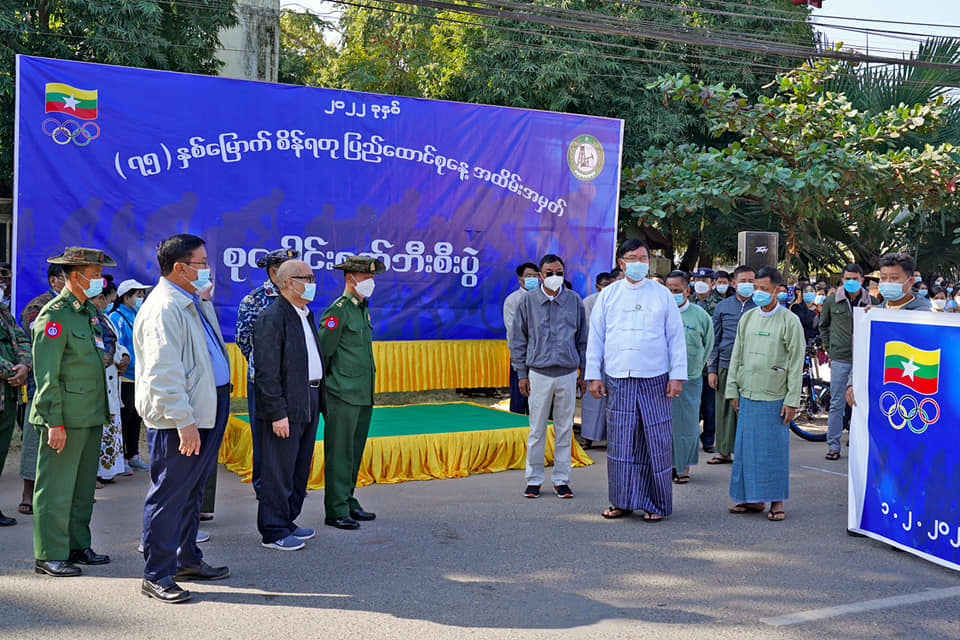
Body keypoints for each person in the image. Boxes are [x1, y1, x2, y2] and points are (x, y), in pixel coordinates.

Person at [135, 234, 230, 603]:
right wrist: (183, 421)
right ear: (180, 268)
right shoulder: (164, 307)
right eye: (202, 263)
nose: (208, 269)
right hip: (181, 417)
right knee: (169, 494)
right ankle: (157, 573)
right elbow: (163, 373)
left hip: (207, 406)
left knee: (193, 490)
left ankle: (187, 558)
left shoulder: (188, 301)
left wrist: (202, 299)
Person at [586, 238, 686, 522]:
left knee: (655, 439)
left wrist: (677, 376)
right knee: (620, 442)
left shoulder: (661, 293)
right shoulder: (609, 295)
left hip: (655, 377)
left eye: (644, 258)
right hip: (618, 377)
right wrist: (593, 375)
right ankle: (622, 501)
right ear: (621, 262)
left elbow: (675, 337)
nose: (640, 263)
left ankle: (656, 503)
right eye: (633, 258)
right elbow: (596, 338)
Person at [30, 247, 114, 577]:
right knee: (56, 489)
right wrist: (55, 422)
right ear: (76, 276)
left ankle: (77, 545)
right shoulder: (54, 316)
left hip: (90, 415)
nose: (100, 281)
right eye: (96, 275)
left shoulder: (85, 314)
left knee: (81, 490)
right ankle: (49, 553)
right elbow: (47, 376)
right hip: (64, 419)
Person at [254, 260, 326, 551]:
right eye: (305, 278)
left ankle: (287, 519)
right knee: (277, 468)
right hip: (285, 404)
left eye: (312, 277)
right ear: (286, 283)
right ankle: (272, 529)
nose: (311, 282)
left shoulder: (305, 314)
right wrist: (277, 412)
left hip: (308, 396)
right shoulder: (273, 316)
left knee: (298, 466)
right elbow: (267, 372)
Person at [725, 267, 804, 522]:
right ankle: (750, 500)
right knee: (746, 449)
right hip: (748, 391)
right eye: (755, 288)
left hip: (775, 395)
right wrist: (732, 389)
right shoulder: (747, 318)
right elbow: (736, 355)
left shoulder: (789, 320)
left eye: (764, 289)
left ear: (778, 291)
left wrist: (792, 400)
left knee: (773, 451)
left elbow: (795, 363)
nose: (758, 293)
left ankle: (776, 502)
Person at [510, 254, 587, 499]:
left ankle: (562, 480)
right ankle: (533, 480)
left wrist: (583, 373)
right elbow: (518, 340)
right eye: (549, 273)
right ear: (540, 275)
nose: (555, 277)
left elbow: (583, 340)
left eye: (559, 272)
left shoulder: (574, 301)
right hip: (538, 374)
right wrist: (522, 374)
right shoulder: (527, 302)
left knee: (565, 429)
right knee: (537, 429)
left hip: (566, 373)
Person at [319, 255, 385, 530]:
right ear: (350, 278)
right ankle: (335, 509)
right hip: (342, 393)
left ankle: (347, 499)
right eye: (366, 278)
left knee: (354, 450)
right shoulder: (339, 310)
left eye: (372, 278)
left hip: (361, 391)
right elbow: (323, 355)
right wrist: (325, 394)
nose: (371, 283)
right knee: (340, 452)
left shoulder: (361, 308)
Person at [235, 248, 300, 498]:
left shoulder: (296, 298)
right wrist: (268, 367)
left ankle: (288, 486)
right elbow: (244, 340)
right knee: (264, 437)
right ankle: (263, 487)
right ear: (274, 272)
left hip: (293, 381)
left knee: (291, 435)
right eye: (289, 270)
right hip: (264, 382)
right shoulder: (255, 300)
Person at [845, 253, 930, 412]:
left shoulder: (923, 315)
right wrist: (851, 383)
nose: (887, 283)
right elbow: (862, 351)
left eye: (894, 278)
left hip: (909, 394)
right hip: (877, 391)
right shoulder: (874, 313)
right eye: (883, 278)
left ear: (910, 281)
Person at [18, 263, 66, 515]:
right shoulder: (40, 306)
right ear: (53, 280)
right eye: (64, 277)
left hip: (75, 385)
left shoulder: (82, 306)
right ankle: (28, 492)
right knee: (34, 438)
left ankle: (61, 495)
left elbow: (103, 336)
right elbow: (37, 336)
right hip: (42, 381)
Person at [818, 264, 871, 461]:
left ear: (862, 279)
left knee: (861, 403)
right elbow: (823, 326)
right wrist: (830, 348)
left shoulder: (871, 301)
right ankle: (833, 445)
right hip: (840, 358)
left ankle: (859, 444)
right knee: (837, 403)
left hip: (863, 358)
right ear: (842, 278)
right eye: (847, 278)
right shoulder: (832, 300)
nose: (851, 281)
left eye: (855, 278)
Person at [665, 271, 713, 484]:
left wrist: (697, 367)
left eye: (677, 290)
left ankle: (683, 467)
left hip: (689, 378)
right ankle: (664, 465)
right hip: (659, 376)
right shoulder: (659, 312)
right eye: (669, 290)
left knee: (687, 424)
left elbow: (708, 345)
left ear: (687, 290)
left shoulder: (700, 315)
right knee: (662, 424)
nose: (673, 294)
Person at [706, 265, 757, 465]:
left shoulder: (761, 306)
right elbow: (714, 340)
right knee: (725, 409)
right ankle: (723, 451)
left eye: (752, 281)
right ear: (734, 284)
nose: (748, 285)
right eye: (743, 281)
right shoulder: (722, 306)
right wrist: (712, 369)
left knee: (749, 409)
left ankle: (746, 452)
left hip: (753, 366)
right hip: (726, 364)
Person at [109, 279, 152, 473]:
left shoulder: (141, 316)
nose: (142, 298)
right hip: (126, 376)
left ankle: (133, 454)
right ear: (126, 298)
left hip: (141, 376)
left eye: (143, 294)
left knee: (137, 417)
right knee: (125, 417)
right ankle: (121, 457)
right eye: (138, 295)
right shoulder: (117, 317)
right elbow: (119, 347)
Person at [0, 264, 31, 526]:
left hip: (7, 396)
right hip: (7, 380)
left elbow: (22, 341)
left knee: (1, 452)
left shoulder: (4, 314)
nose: (3, 286)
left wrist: (24, 365)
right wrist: (11, 370)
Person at [92, 278, 128, 483]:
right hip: (99, 379)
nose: (108, 303)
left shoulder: (106, 318)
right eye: (106, 299)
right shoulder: (91, 318)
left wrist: (124, 357)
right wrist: (112, 357)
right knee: (100, 427)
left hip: (112, 378)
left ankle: (108, 471)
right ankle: (95, 473)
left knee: (111, 427)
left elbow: (116, 343)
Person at [580, 271, 614, 449]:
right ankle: (587, 437)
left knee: (613, 400)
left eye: (611, 283)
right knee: (592, 399)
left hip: (615, 357)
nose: (608, 287)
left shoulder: (618, 299)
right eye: (605, 284)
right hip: (594, 356)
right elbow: (588, 330)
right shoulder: (589, 302)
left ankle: (613, 438)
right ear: (597, 286)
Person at [502, 262, 539, 416]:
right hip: (522, 356)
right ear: (520, 279)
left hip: (541, 357)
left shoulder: (543, 297)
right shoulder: (513, 300)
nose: (532, 279)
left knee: (538, 400)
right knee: (519, 397)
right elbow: (513, 331)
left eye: (535, 276)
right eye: (528, 276)